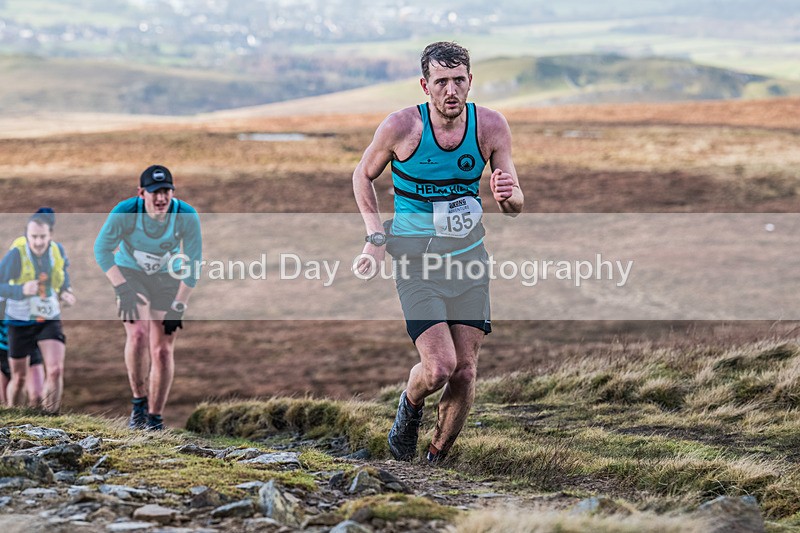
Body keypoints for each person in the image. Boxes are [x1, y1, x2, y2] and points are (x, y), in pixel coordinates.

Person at [353, 42, 524, 463]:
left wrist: (508, 197)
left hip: (469, 261)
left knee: (465, 372)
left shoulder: (490, 127)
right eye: (442, 81)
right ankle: (409, 405)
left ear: (470, 82)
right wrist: (375, 237)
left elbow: (514, 203)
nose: (451, 90)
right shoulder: (400, 127)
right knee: (439, 369)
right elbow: (362, 175)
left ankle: (434, 461)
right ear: (425, 84)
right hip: (417, 262)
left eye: (459, 80)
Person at [94, 165, 202, 430]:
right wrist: (121, 288)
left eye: (166, 191)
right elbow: (102, 250)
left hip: (166, 278)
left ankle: (155, 418)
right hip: (130, 273)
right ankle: (139, 404)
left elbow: (194, 262)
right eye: (155, 192)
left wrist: (179, 304)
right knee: (139, 333)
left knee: (163, 349)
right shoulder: (126, 212)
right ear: (141, 193)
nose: (161, 198)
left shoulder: (186, 215)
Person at [0, 207, 76, 413]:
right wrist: (20, 289)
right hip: (18, 321)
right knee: (20, 377)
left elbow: (62, 276)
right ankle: (11, 418)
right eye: (34, 237)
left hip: (48, 317)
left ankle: (51, 418)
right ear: (27, 235)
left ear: (50, 235)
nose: (38, 242)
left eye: (43, 237)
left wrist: (65, 291)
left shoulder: (57, 251)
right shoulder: (16, 255)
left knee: (55, 370)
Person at [0, 299, 46, 407]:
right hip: (2, 351)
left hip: (28, 347)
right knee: (3, 402)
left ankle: (37, 422)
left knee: (37, 396)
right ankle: (13, 421)